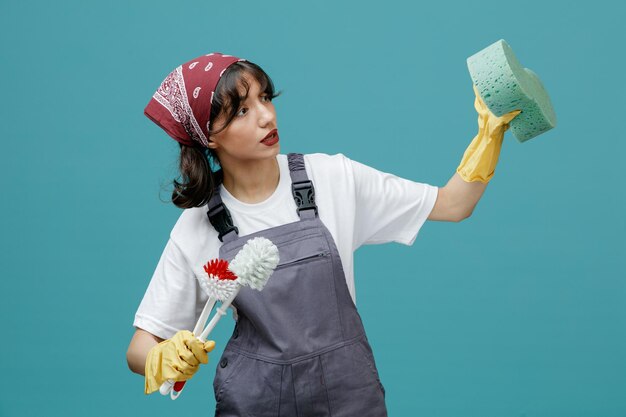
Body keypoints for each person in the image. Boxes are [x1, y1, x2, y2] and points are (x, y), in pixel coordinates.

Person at [126, 52, 519, 416]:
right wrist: (164, 358)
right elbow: (140, 348)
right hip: (256, 404)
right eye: (243, 110)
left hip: (349, 399)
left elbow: (453, 205)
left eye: (266, 97)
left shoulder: (333, 178)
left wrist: (490, 134)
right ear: (209, 135)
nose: (266, 116)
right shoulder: (199, 225)